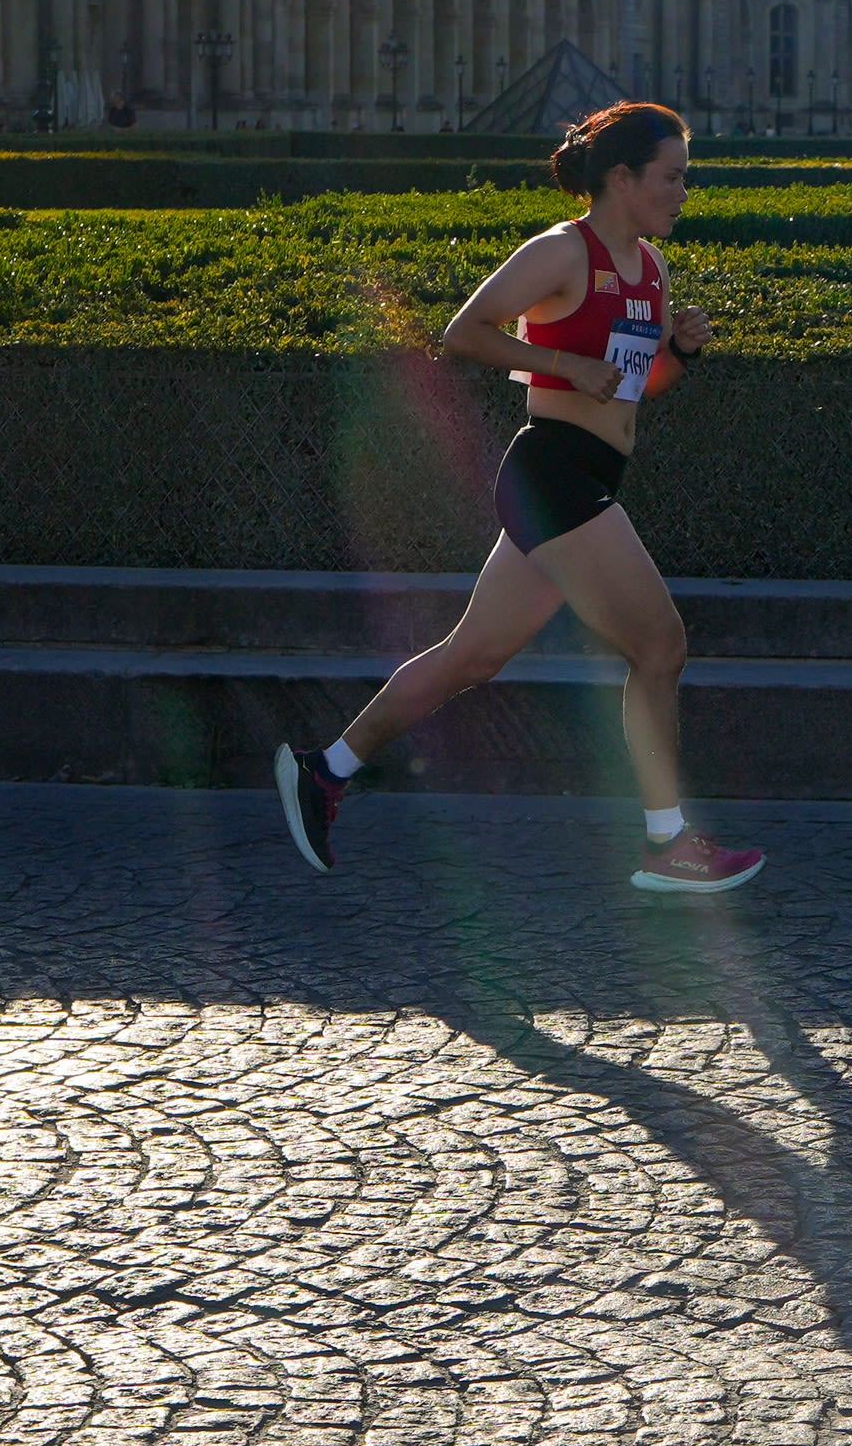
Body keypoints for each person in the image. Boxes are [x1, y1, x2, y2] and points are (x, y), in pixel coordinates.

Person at [277, 103, 766, 896]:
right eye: (672, 177)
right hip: (551, 475)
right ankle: (667, 842)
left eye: (686, 177)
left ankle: (325, 770)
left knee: (474, 656)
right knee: (660, 645)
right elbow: (464, 333)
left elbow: (636, 390)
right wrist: (565, 368)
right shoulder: (560, 252)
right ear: (622, 177)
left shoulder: (650, 268)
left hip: (586, 478)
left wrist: (678, 349)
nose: (684, 192)